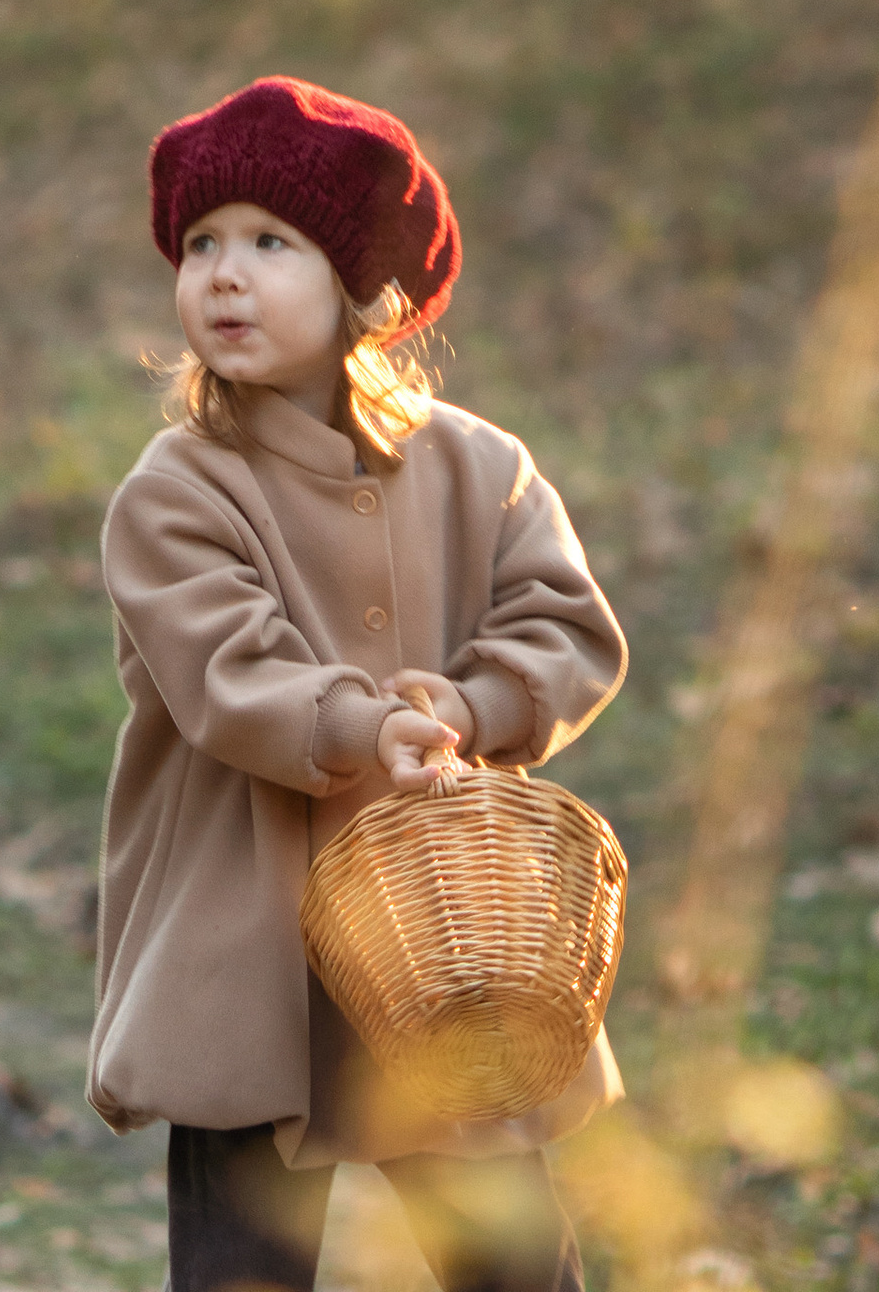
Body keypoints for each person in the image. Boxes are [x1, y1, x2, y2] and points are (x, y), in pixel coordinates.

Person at [90, 74, 627, 1292]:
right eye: (201, 244)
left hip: (445, 941)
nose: (223, 275)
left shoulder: (478, 467)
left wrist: (473, 707)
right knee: (241, 1268)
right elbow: (226, 668)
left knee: (510, 1265)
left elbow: (563, 627)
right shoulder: (177, 491)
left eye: (269, 243)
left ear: (362, 287)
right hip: (249, 942)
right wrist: (359, 724)